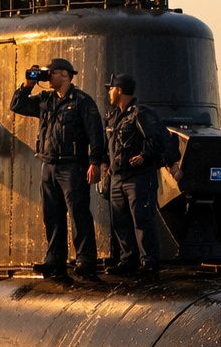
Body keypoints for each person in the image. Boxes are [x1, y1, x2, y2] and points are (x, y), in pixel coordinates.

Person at [9, 57, 106, 277]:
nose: (47, 76)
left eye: (50, 73)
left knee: (78, 213)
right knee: (52, 214)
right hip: (49, 165)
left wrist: (95, 162)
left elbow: (95, 132)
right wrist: (27, 84)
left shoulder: (82, 101)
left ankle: (85, 259)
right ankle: (54, 259)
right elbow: (17, 105)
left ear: (64, 75)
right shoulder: (46, 100)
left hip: (73, 166)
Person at [101, 73, 176, 280]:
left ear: (119, 90)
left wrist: (144, 155)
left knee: (142, 220)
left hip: (138, 178)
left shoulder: (141, 113)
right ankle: (128, 259)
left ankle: (149, 261)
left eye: (111, 88)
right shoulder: (113, 116)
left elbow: (160, 139)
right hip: (117, 177)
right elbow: (108, 145)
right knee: (120, 221)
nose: (108, 92)